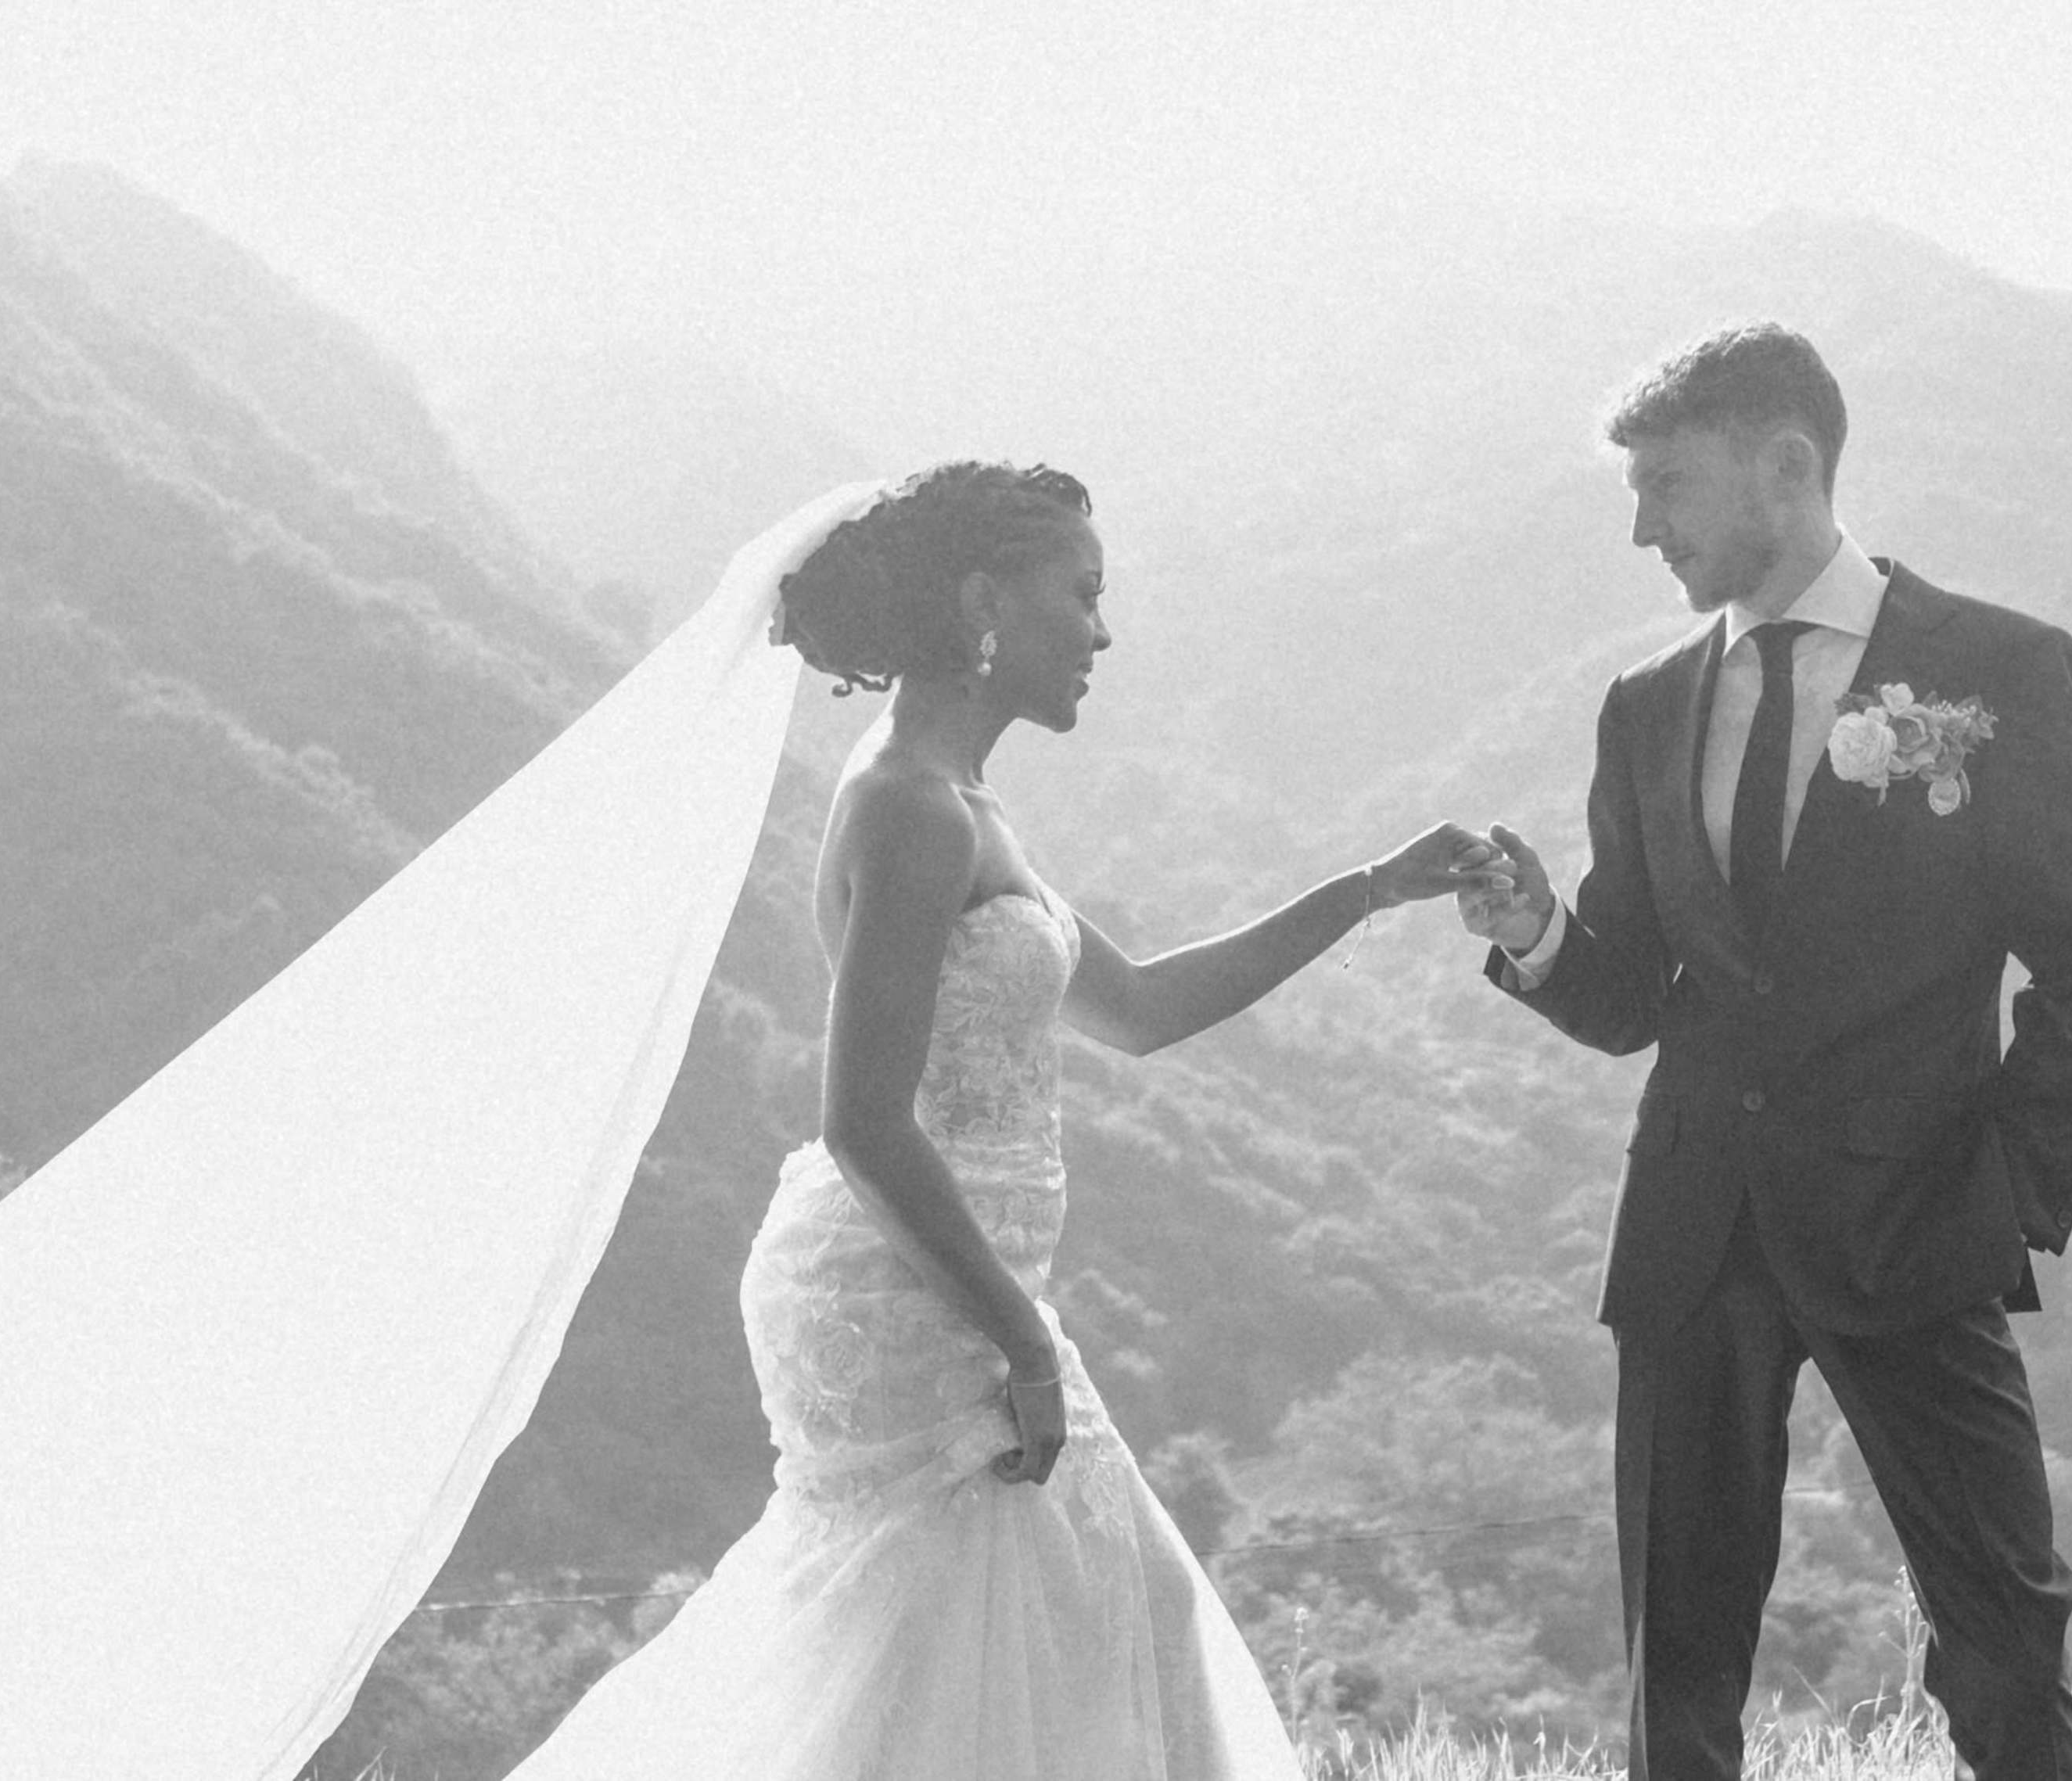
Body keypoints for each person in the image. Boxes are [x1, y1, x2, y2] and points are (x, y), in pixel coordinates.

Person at [508, 461, 1500, 1779]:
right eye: (1081, 594)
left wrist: (1373, 889)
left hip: (957, 1290)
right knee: (1036, 1634)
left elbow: (1140, 1007)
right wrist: (1022, 1339)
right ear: (985, 600)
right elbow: (864, 1123)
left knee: (1030, 1645)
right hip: (917, 1299)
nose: (1103, 630)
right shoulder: (913, 810)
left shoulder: (965, 806)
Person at [1458, 325, 2072, 1780]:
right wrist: (1535, 939)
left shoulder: (1999, 667)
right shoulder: (1644, 708)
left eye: (1668, 485)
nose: (1642, 525)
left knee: (2005, 1632)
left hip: (1919, 1219)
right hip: (1694, 1228)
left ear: (1788, 464)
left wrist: (2006, 1192)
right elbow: (1634, 992)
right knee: (1679, 1664)